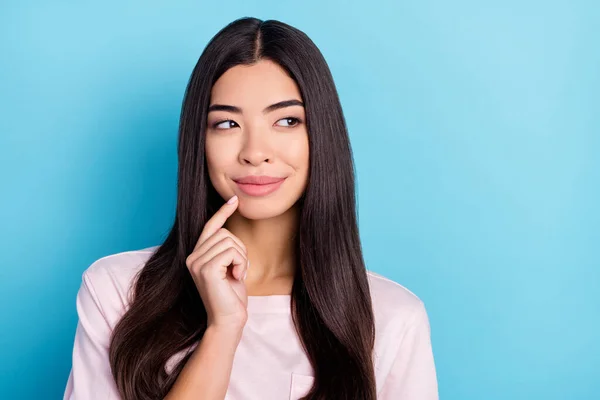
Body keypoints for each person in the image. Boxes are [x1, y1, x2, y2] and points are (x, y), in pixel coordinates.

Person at [63, 17, 438, 400]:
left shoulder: (391, 318)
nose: (255, 153)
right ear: (200, 141)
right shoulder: (117, 290)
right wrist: (223, 329)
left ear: (321, 135)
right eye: (226, 124)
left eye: (287, 120)